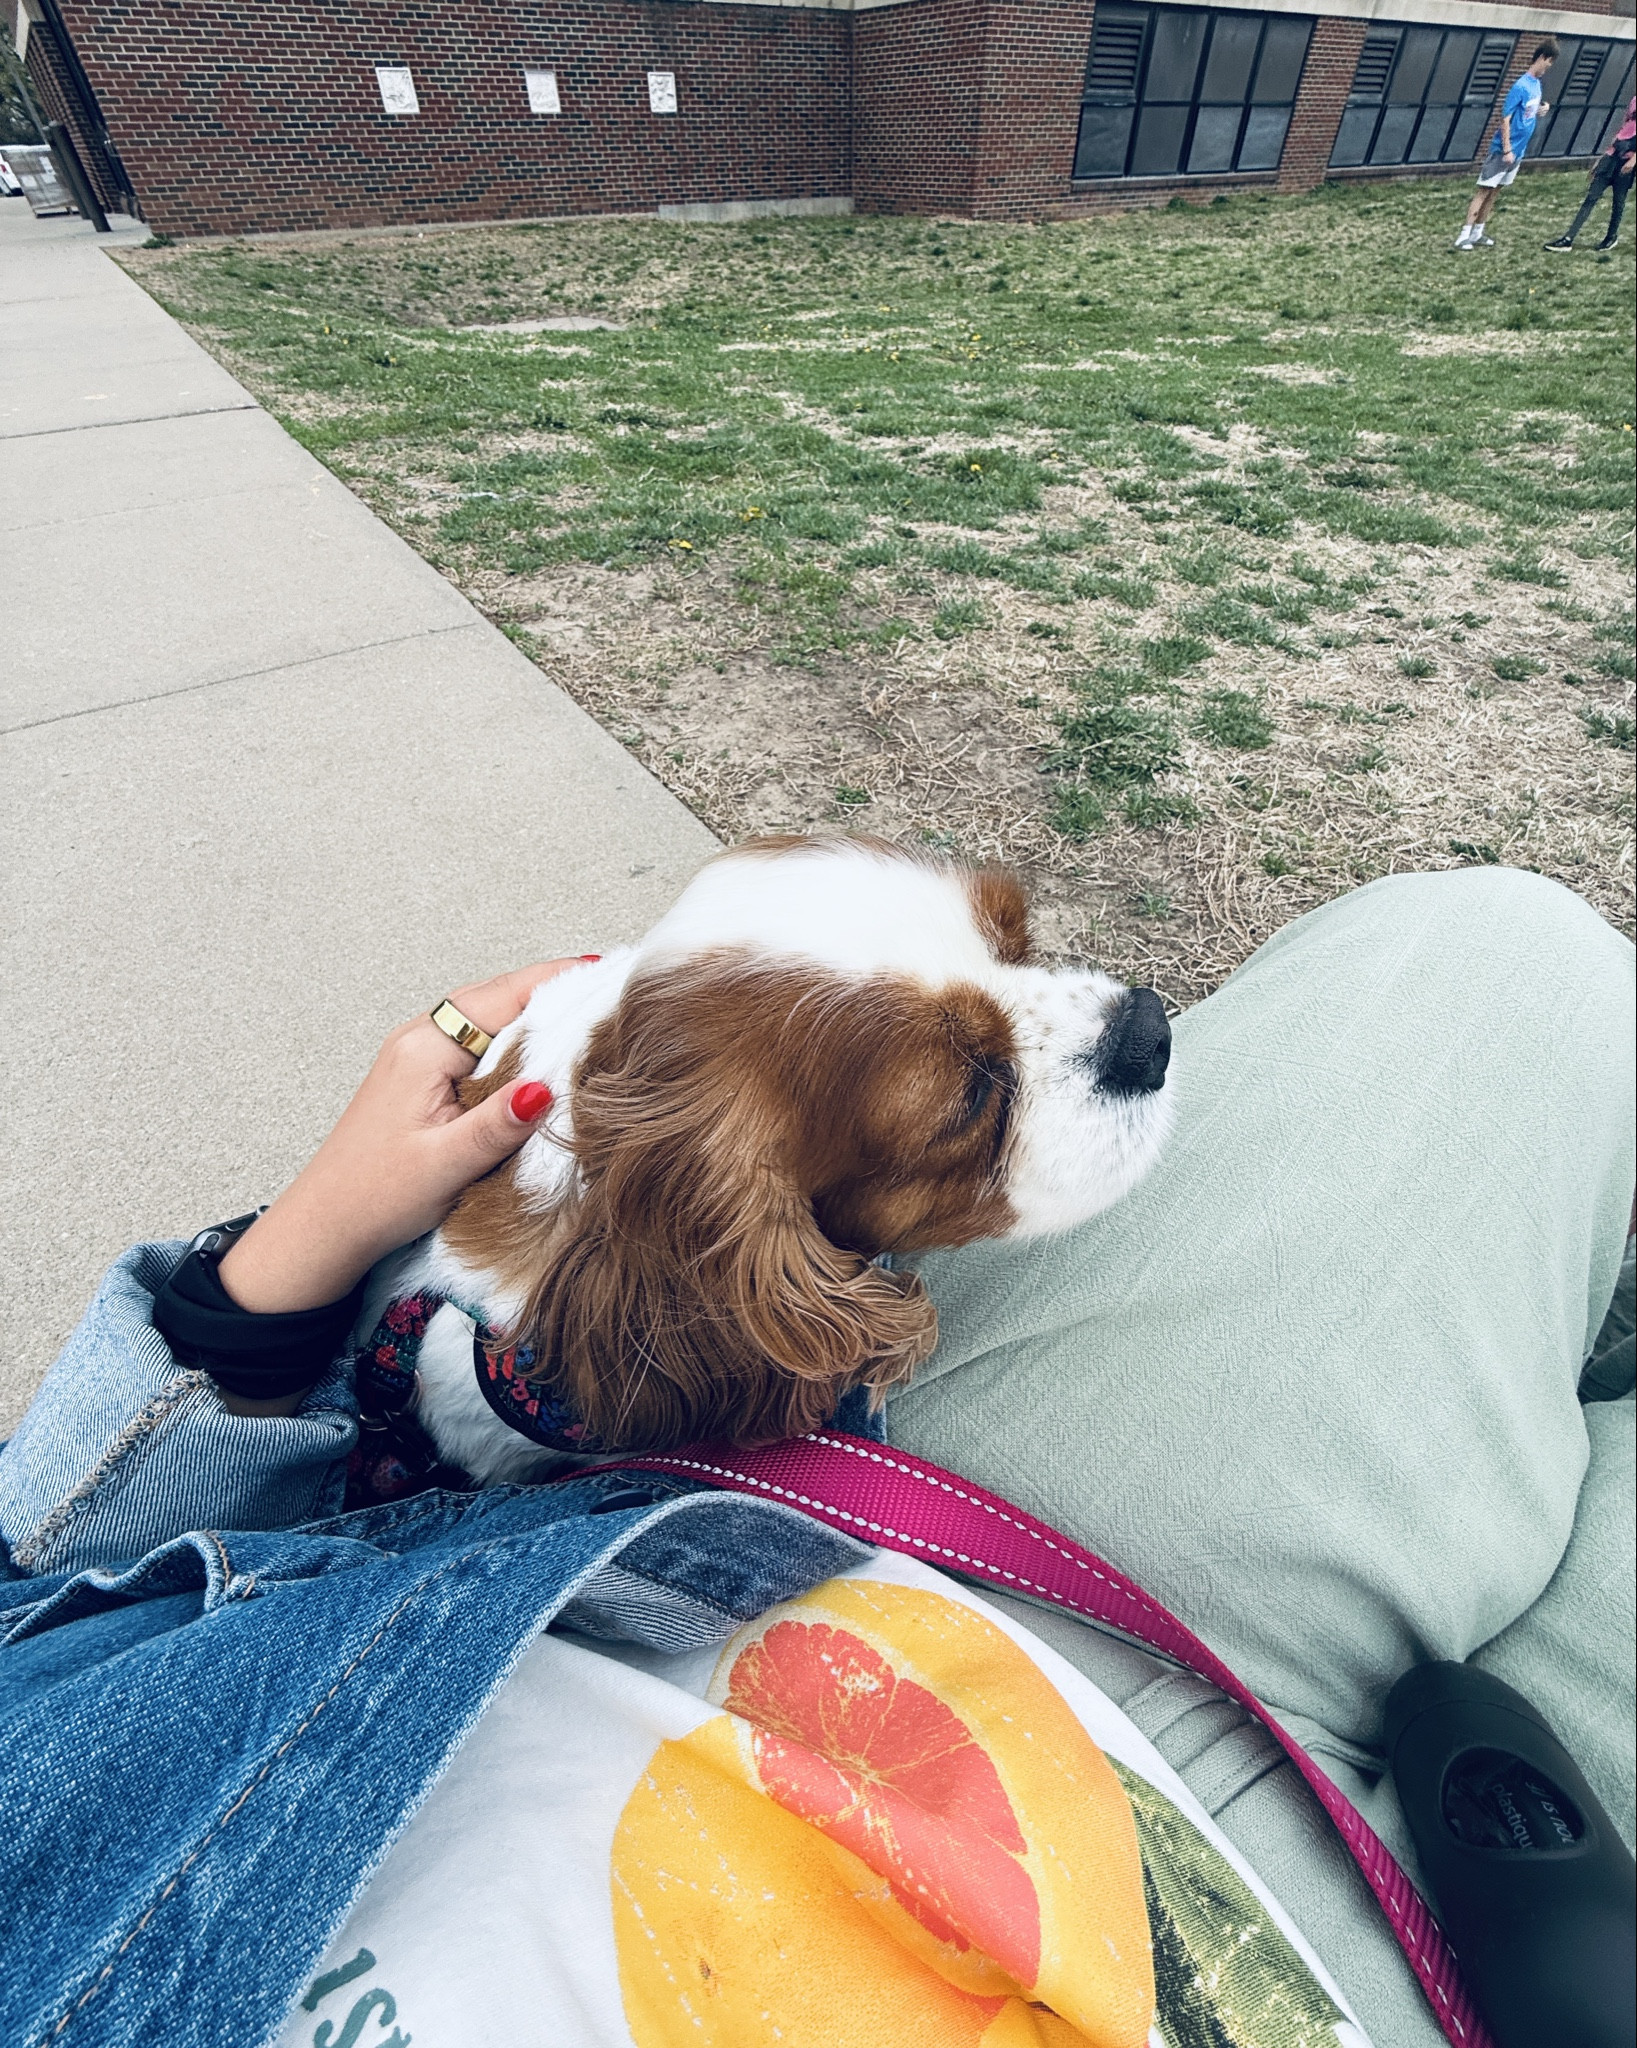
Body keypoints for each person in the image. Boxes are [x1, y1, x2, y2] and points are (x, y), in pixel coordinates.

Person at [1, 868, 1632, 2048]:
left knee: (1509, 954)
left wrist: (269, 1278)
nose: (1096, 1006)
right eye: (969, 1092)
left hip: (752, 1601)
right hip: (1281, 1972)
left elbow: (45, 1618)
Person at [1455, 41, 1558, 251]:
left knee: (1495, 192)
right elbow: (1505, 120)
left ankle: (1478, 233)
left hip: (1518, 151)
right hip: (1504, 152)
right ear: (1541, 58)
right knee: (1485, 190)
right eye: (1548, 63)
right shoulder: (1520, 85)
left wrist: (1543, 108)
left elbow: (1529, 110)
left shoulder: (1536, 85)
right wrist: (1507, 149)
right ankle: (1463, 235)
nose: (1548, 67)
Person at [1545, 95, 1637, 253]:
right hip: (1612, 157)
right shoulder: (1634, 100)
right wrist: (1602, 158)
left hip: (1627, 160)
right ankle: (1568, 239)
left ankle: (1611, 236)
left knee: (1618, 201)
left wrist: (1634, 159)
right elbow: (1623, 129)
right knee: (1591, 197)